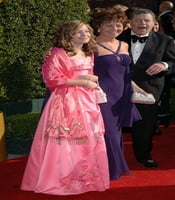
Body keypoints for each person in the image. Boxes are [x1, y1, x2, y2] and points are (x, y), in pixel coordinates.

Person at [20, 20, 110, 195]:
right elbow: (51, 79)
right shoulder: (57, 53)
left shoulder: (88, 52)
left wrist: (90, 79)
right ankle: (59, 180)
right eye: (79, 32)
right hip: (65, 101)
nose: (85, 35)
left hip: (88, 101)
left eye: (87, 31)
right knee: (64, 141)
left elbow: (88, 74)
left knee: (90, 137)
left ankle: (86, 180)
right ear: (68, 34)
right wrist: (82, 81)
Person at [90, 7, 147, 179]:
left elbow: (125, 72)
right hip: (103, 95)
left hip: (122, 93)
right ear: (99, 26)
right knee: (108, 132)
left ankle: (115, 165)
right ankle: (111, 169)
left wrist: (136, 89)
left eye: (118, 26)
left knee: (117, 130)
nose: (114, 29)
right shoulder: (91, 45)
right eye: (109, 26)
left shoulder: (124, 44)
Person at [118, 8, 175, 168]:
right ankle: (112, 156)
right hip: (119, 87)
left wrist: (163, 64)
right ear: (130, 23)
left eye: (146, 20)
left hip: (148, 89)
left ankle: (144, 156)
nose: (142, 24)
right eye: (137, 20)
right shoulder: (118, 38)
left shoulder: (165, 40)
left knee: (145, 126)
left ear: (154, 24)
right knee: (113, 124)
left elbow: (174, 64)